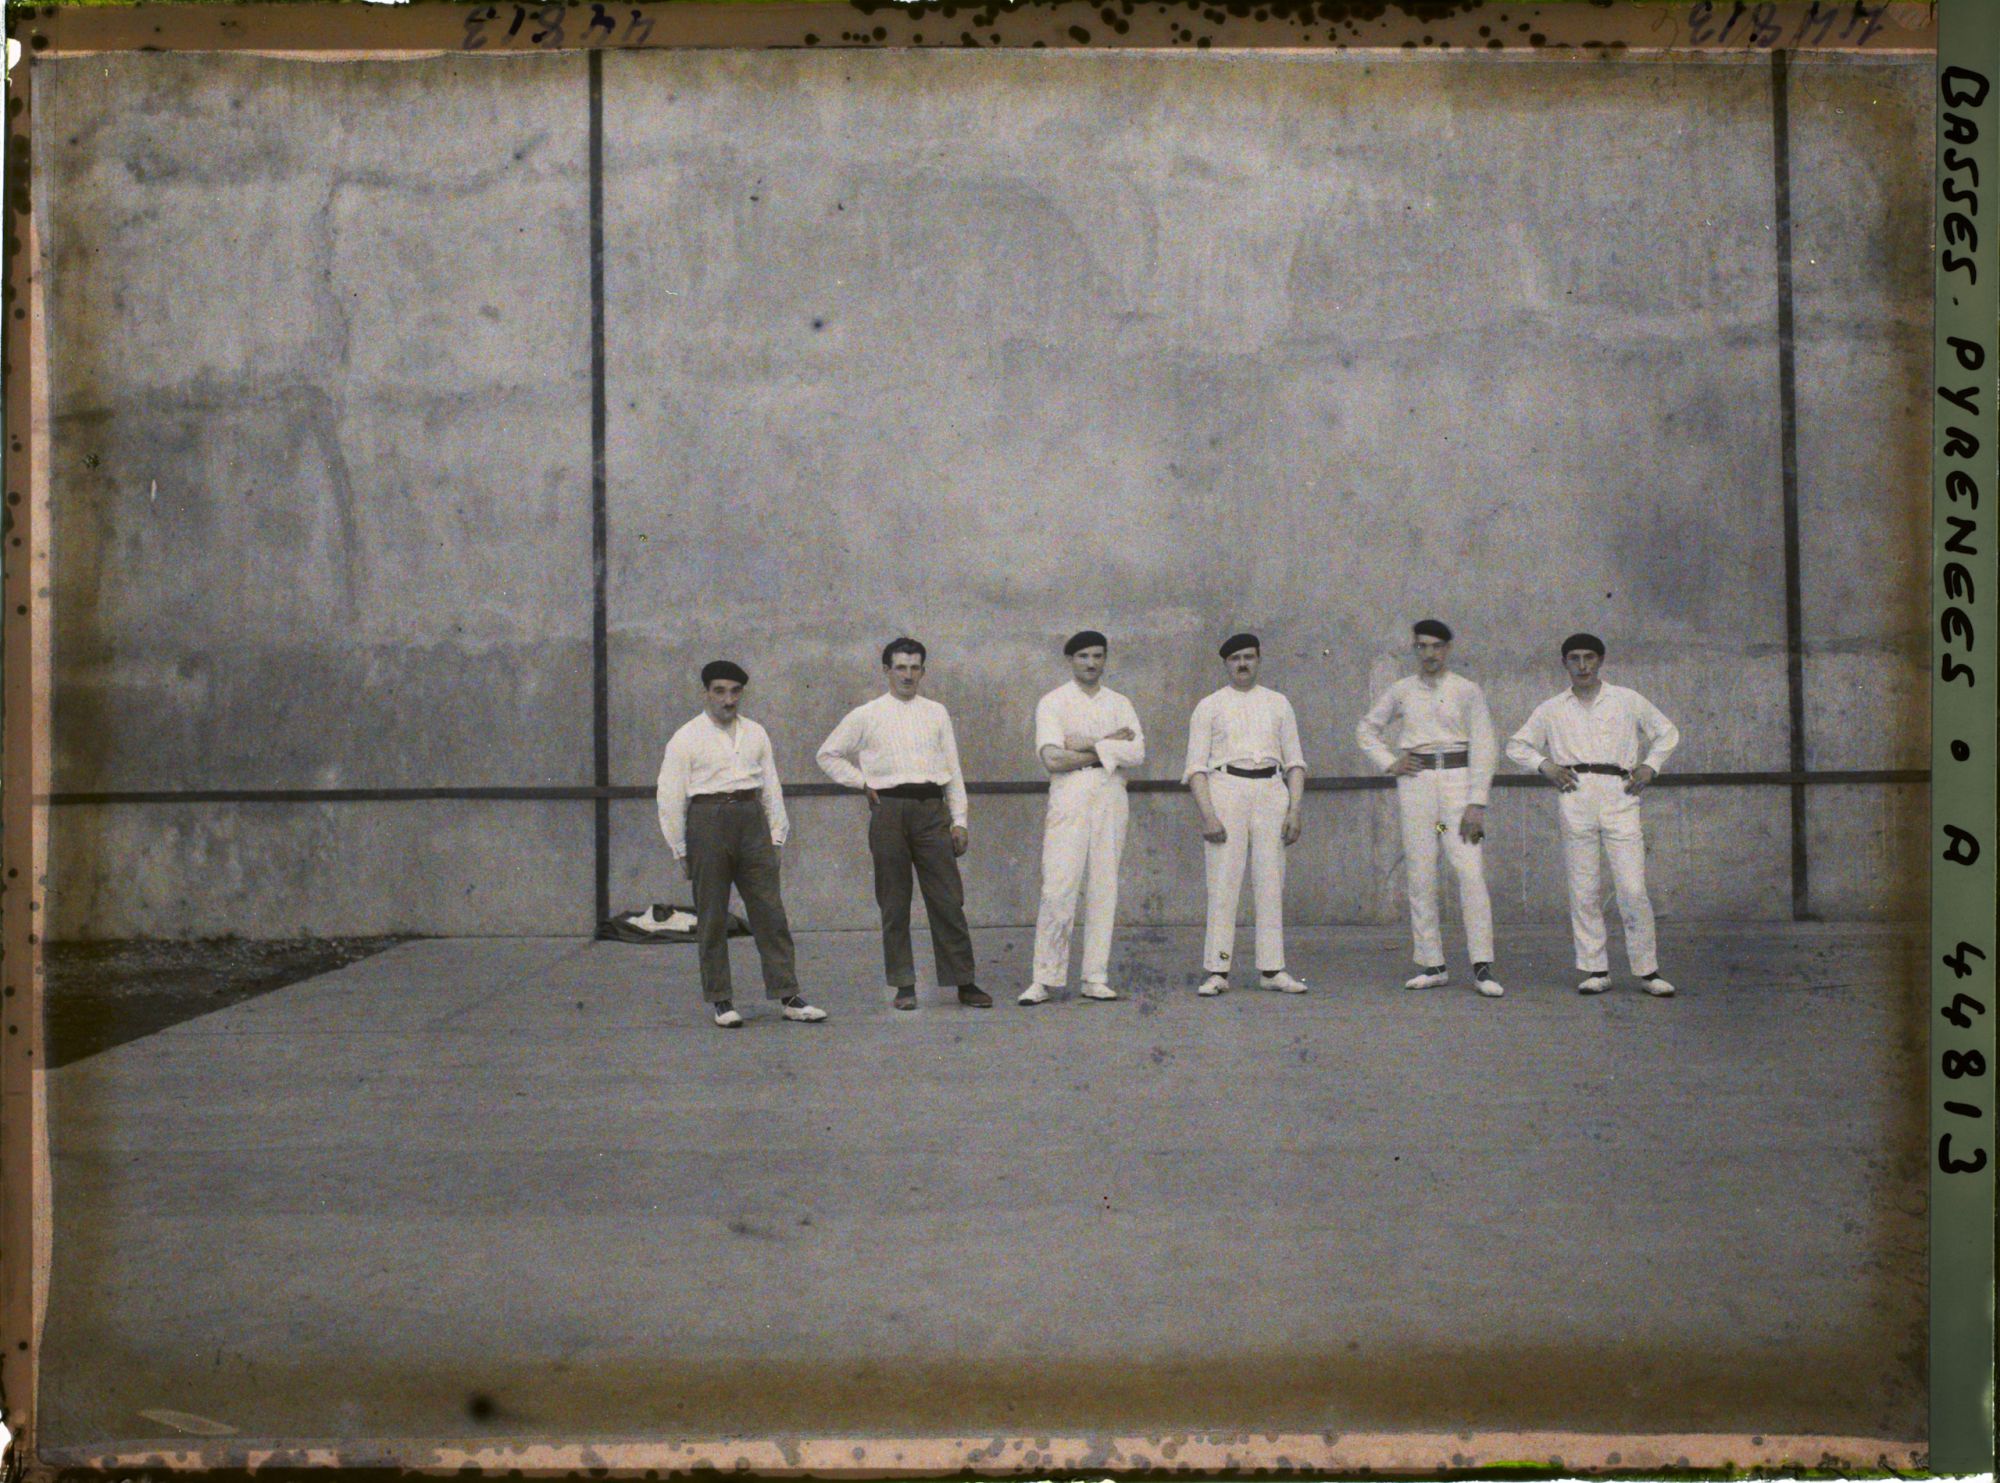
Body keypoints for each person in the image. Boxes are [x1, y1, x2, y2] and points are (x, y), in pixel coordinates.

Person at [817, 638, 990, 1010]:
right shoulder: (867, 714)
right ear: (886, 671)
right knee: (894, 902)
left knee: (947, 899)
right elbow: (827, 754)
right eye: (901, 667)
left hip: (932, 809)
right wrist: (862, 782)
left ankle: (964, 981)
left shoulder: (936, 712)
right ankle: (904, 985)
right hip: (889, 810)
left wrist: (959, 820)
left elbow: (953, 770)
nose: (908, 675)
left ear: (923, 671)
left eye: (915, 667)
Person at [1505, 633, 1682, 997]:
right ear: (1565, 663)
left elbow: (1667, 733)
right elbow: (1516, 745)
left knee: (1632, 889)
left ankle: (1648, 971)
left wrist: (1650, 766)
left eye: (1589, 657)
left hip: (1620, 792)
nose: (1582, 665)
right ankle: (1595, 969)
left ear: (1600, 660)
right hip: (1575, 795)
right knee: (1584, 888)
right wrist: (1546, 766)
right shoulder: (1552, 708)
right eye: (1574, 658)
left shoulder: (1626, 700)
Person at [654, 660, 825, 1029]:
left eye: (734, 691)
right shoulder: (685, 738)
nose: (728, 699)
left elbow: (771, 786)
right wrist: (679, 849)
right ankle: (721, 1000)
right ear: (706, 693)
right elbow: (669, 796)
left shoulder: (756, 734)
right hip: (707, 822)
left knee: (770, 912)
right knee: (712, 916)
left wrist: (777, 835)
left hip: (751, 822)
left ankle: (789, 995)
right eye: (719, 691)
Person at [1356, 619, 1504, 998]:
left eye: (1437, 646)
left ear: (1448, 649)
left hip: (1458, 784)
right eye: (1422, 646)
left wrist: (1477, 802)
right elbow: (1367, 729)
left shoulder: (1467, 690)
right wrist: (1390, 763)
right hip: (1417, 785)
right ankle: (1432, 964)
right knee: (1421, 872)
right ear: (1415, 649)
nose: (1430, 653)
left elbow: (1485, 745)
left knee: (1469, 872)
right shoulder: (1401, 690)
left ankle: (1483, 967)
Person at [1020, 630, 1147, 1006]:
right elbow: (1053, 759)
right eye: (1083, 656)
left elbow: (1137, 753)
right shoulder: (1053, 702)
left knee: (1103, 885)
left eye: (1098, 656)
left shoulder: (1120, 703)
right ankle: (1044, 978)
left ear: (1105, 659)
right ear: (1070, 660)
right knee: (1058, 886)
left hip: (1110, 795)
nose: (1091, 663)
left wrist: (1083, 745)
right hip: (1069, 795)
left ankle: (1095, 976)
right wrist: (1108, 744)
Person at [1181, 633, 1310, 997]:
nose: (1242, 664)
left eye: (1249, 657)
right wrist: (1208, 815)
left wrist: (1294, 809)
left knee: (1271, 880)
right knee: (1223, 882)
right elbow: (1195, 768)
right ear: (1226, 663)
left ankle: (1272, 969)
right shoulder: (1209, 706)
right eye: (1235, 658)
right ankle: (1217, 969)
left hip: (1271, 791)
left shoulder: (1279, 703)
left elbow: (1296, 762)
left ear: (1258, 660)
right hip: (1226, 790)